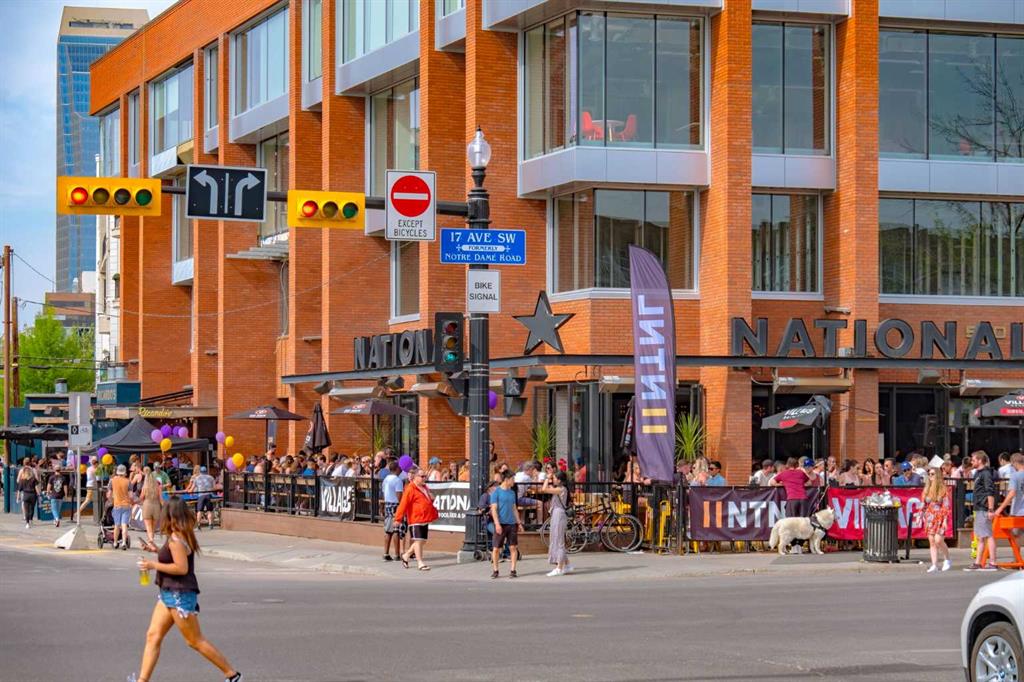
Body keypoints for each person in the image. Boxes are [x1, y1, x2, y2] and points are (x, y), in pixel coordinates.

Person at [132, 498, 242, 682]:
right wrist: (156, 551)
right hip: (168, 592)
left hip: (179, 595)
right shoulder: (181, 534)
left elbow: (181, 568)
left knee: (194, 640)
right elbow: (176, 557)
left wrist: (153, 565)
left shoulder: (176, 538)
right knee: (153, 635)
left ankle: (232, 675)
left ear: (170, 515)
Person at [393, 466, 438, 571]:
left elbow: (427, 501)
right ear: (415, 477)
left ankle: (406, 555)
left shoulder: (425, 487)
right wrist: (398, 519)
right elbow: (403, 504)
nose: (424, 478)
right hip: (415, 518)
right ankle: (420, 563)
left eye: (425, 476)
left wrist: (431, 499)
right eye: (422, 476)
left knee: (423, 541)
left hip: (424, 518)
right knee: (418, 541)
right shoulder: (410, 489)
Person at [965, 451, 998, 572]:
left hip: (984, 508)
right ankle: (978, 562)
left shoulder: (985, 473)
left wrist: (990, 509)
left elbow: (990, 491)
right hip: (979, 508)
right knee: (980, 537)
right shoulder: (978, 473)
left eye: (973, 460)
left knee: (988, 535)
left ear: (980, 460)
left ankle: (993, 562)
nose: (971, 462)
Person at [490, 471, 524, 579]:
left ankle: (513, 570)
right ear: (506, 479)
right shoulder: (496, 492)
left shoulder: (512, 493)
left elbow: (514, 509)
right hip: (501, 524)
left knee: (513, 547)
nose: (514, 481)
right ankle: (495, 570)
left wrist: (519, 523)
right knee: (496, 548)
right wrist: (497, 524)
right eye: (512, 479)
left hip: (512, 523)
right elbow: (494, 509)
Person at [542, 470, 573, 577]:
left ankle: (559, 567)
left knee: (559, 541)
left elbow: (544, 489)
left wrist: (547, 478)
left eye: (554, 478)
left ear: (559, 480)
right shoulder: (560, 489)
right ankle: (567, 565)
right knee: (556, 539)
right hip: (556, 514)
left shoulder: (561, 489)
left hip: (559, 515)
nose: (553, 480)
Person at [921, 465, 952, 572]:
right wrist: (920, 515)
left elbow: (946, 506)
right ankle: (934, 564)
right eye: (929, 474)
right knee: (932, 541)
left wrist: (945, 520)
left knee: (938, 540)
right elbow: (923, 504)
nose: (930, 476)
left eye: (932, 474)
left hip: (940, 517)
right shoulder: (927, 489)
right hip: (930, 517)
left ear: (938, 476)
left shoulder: (943, 489)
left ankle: (947, 559)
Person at [994, 453, 1024, 538]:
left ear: (1014, 463)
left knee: (1015, 535)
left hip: (1018, 511)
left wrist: (1000, 508)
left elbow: (1012, 493)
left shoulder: (1015, 476)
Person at [381, 461, 406, 562]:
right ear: (397, 469)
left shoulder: (386, 479)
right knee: (396, 530)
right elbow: (399, 495)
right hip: (395, 505)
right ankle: (396, 554)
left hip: (388, 504)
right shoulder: (397, 480)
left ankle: (386, 553)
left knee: (388, 530)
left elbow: (383, 493)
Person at [140, 469, 163, 552]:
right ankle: (151, 542)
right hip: (156, 507)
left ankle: (151, 542)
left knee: (149, 528)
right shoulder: (158, 487)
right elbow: (161, 499)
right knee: (153, 528)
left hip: (147, 506)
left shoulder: (145, 487)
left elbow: (141, 497)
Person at [110, 464, 133, 550]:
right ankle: (123, 542)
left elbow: (109, 494)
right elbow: (131, 496)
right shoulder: (128, 481)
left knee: (117, 525)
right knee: (124, 525)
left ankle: (115, 543)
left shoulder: (112, 481)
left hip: (117, 505)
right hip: (126, 505)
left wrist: (112, 501)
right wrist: (131, 502)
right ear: (125, 472)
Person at [16, 462, 39, 529]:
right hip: (33, 495)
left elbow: (19, 490)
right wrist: (39, 495)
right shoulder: (33, 479)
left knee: (26, 510)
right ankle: (31, 520)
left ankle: (27, 523)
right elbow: (36, 488)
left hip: (26, 495)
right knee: (32, 508)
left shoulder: (22, 480)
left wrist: (18, 498)